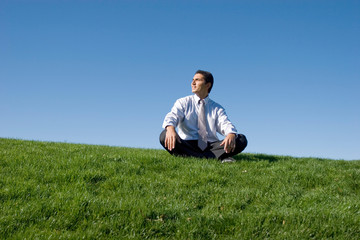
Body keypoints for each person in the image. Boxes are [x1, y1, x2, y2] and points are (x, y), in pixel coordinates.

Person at [159, 70, 247, 163]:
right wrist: (170, 128)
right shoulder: (183, 102)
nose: (192, 83)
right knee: (164, 135)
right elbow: (173, 116)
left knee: (240, 139)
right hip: (187, 144)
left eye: (197, 80)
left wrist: (231, 133)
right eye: (192, 80)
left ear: (207, 85)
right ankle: (215, 157)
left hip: (211, 145)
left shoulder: (217, 108)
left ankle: (193, 156)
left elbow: (224, 123)